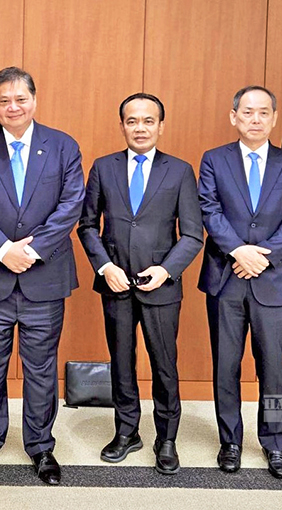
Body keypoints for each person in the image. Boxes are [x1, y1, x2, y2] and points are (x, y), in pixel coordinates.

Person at [0, 66, 85, 485]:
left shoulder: (63, 146)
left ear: (34, 100)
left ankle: (41, 446)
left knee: (41, 369)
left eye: (20, 99)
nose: (13, 107)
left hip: (43, 276)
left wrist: (29, 250)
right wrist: (3, 250)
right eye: (4, 100)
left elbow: (71, 204)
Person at [77, 93, 203, 475]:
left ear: (161, 126)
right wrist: (104, 267)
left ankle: (167, 438)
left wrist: (166, 270)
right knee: (122, 363)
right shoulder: (103, 167)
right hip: (115, 283)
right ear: (122, 126)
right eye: (132, 121)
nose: (140, 128)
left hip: (161, 286)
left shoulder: (179, 171)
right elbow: (87, 225)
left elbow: (193, 234)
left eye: (148, 121)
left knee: (164, 364)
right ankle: (127, 431)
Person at [197, 86, 282, 479]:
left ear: (274, 118)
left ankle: (275, 442)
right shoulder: (214, 159)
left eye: (264, 112)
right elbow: (209, 209)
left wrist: (262, 256)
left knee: (273, 367)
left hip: (273, 279)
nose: (256, 119)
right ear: (234, 117)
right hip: (226, 278)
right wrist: (237, 250)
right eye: (247, 112)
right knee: (226, 365)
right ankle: (230, 441)